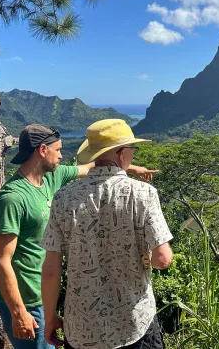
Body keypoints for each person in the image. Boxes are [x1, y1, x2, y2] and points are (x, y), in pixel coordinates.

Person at [0, 124, 158, 349]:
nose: (62, 155)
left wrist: (132, 167)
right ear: (42, 150)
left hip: (45, 292)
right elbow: (1, 260)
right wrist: (18, 312)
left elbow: (94, 167)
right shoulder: (12, 198)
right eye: (58, 150)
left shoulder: (51, 178)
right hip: (26, 299)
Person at [40, 119, 173, 349]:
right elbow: (162, 260)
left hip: (82, 329)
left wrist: (50, 317)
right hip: (134, 324)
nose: (132, 155)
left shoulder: (63, 198)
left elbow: (51, 269)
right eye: (132, 149)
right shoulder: (143, 194)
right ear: (121, 154)